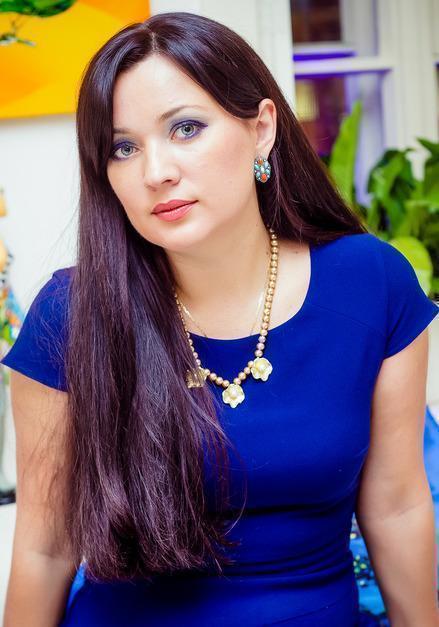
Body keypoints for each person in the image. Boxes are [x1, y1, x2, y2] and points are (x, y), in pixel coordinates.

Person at [1, 11, 438, 627]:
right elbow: (45, 548)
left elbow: (396, 506)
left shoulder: (371, 282)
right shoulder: (69, 313)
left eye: (186, 128)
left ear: (262, 129)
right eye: (124, 147)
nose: (156, 172)